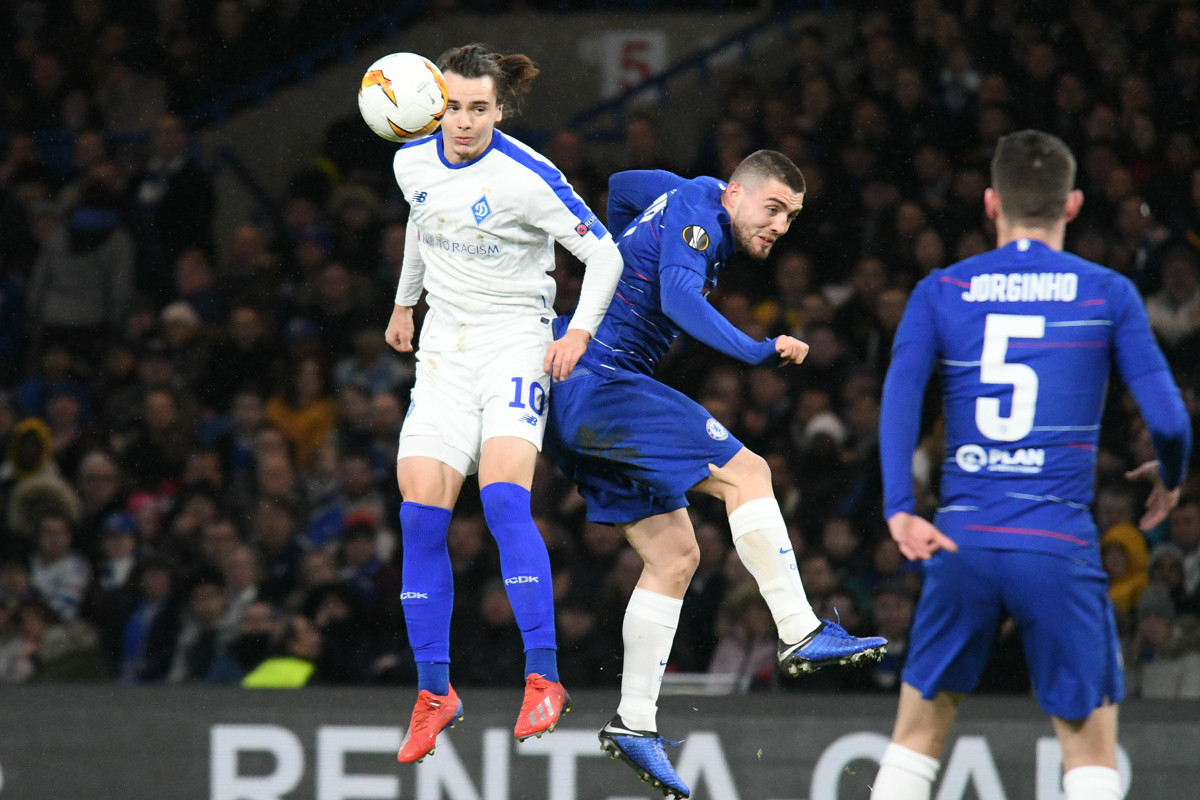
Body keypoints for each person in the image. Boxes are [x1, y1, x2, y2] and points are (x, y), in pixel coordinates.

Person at [543, 150, 886, 799]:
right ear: (734, 193)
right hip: (601, 378)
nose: (780, 226)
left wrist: (615, 258)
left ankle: (634, 721)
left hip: (570, 388)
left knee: (675, 555)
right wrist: (756, 350)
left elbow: (620, 184)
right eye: (773, 208)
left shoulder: (683, 195)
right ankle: (799, 629)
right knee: (747, 472)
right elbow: (676, 297)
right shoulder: (699, 216)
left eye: (791, 216)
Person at [871, 130, 1192, 800]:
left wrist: (899, 507)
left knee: (916, 739)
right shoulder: (1107, 292)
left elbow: (900, 395)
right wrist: (1170, 474)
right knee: (1089, 752)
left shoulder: (941, 289)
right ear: (1072, 205)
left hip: (962, 537)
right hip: (1055, 541)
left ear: (992, 203)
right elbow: (1168, 421)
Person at [382, 44, 623, 763]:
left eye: (479, 108)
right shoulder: (409, 160)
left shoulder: (528, 176)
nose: (463, 122)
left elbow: (604, 254)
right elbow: (423, 221)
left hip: (515, 342)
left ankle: (543, 676)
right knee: (419, 514)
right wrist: (404, 302)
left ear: (499, 109)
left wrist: (578, 332)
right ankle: (434, 693)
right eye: (453, 107)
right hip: (444, 353)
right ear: (436, 106)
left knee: (502, 499)